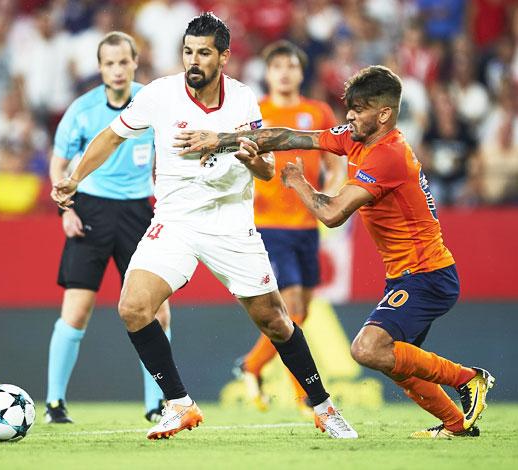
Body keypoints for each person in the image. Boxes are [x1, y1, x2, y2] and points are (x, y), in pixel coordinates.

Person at [52, 12, 357, 440]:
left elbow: (267, 170)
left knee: (276, 320)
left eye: (204, 53)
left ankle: (323, 407)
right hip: (175, 220)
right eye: (188, 52)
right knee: (133, 306)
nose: (193, 61)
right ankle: (179, 404)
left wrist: (253, 159)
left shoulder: (243, 100)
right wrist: (74, 177)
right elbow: (110, 137)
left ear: (224, 57)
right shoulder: (160, 95)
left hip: (231, 221)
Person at [175, 65, 494, 439]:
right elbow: (291, 136)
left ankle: (469, 379)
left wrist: (298, 183)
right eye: (350, 107)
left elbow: (332, 213)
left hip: (428, 276)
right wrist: (223, 140)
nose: (350, 115)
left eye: (359, 109)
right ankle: (456, 424)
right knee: (397, 362)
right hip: (408, 275)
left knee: (368, 348)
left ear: (384, 114)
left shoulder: (388, 155)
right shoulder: (356, 137)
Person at [45, 31, 171, 425]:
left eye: (123, 62)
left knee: (157, 312)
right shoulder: (81, 111)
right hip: (91, 212)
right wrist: (66, 210)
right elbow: (58, 163)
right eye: (109, 63)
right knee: (76, 311)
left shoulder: (151, 104)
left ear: (135, 62)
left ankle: (157, 403)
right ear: (100, 68)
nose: (117, 70)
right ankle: (54, 404)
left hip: (138, 212)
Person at [234, 40, 345, 415]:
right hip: (268, 224)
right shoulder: (255, 112)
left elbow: (337, 160)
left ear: (301, 72)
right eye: (277, 65)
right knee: (292, 305)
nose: (284, 71)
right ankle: (304, 395)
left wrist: (329, 194)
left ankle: (252, 366)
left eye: (291, 65)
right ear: (267, 73)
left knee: (301, 312)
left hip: (306, 224)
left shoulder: (317, 111)